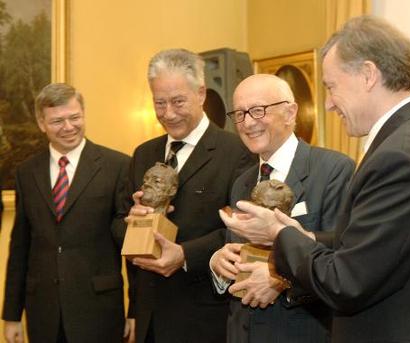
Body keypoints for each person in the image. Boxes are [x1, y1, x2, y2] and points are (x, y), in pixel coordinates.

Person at [220, 15, 410, 343]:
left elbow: (346, 282)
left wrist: (278, 234)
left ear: (367, 74)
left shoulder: (399, 157)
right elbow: (369, 246)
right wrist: (299, 234)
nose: (329, 104)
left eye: (332, 86)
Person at [114, 49, 255, 343]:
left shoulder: (237, 153)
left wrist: (185, 255)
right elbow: (121, 226)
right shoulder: (143, 154)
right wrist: (135, 221)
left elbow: (242, 232)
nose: (168, 113)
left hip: (204, 317)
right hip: (150, 317)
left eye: (178, 101)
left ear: (201, 93)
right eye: (159, 103)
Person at [210, 73, 355, 343]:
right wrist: (220, 264)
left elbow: (343, 254)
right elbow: (240, 251)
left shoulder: (333, 170)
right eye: (239, 114)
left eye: (257, 110)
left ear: (290, 112)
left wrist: (281, 279)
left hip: (301, 331)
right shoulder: (242, 181)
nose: (248, 123)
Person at [1, 83, 131, 343]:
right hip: (43, 312)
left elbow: (130, 244)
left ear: (83, 114)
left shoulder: (118, 166)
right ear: (42, 123)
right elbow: (20, 247)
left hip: (99, 311)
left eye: (75, 117)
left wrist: (137, 310)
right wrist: (12, 315)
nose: (69, 127)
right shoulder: (27, 173)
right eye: (58, 121)